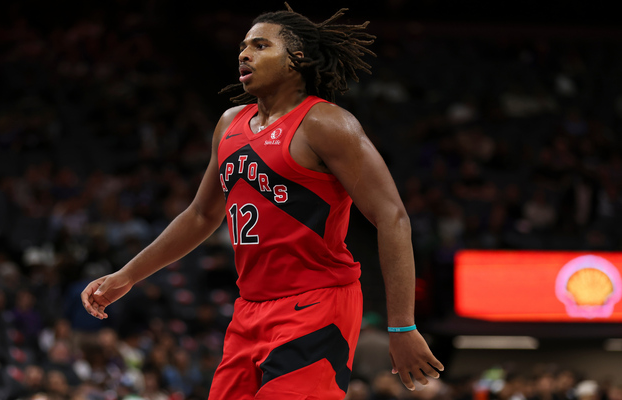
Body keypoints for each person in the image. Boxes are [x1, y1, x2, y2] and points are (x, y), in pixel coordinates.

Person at [81, 4, 443, 399]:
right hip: (249, 309)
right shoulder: (229, 123)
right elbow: (201, 214)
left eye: (260, 45)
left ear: (296, 60)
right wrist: (127, 275)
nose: (244, 53)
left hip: (317, 304)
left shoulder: (324, 123)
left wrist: (402, 325)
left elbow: (392, 216)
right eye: (242, 46)